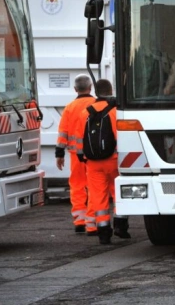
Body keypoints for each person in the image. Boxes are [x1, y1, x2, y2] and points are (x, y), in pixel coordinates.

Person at [74, 79, 129, 245]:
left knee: (98, 196)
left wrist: (82, 158)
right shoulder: (115, 111)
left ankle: (103, 232)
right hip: (113, 161)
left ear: (95, 92)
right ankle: (120, 225)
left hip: (93, 163)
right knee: (118, 192)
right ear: (111, 90)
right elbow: (120, 138)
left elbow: (79, 140)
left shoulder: (85, 112)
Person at [55, 74, 96, 235]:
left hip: (74, 155)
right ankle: (92, 221)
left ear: (75, 89)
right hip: (94, 155)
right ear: (90, 87)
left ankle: (79, 221)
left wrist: (59, 154)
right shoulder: (96, 105)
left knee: (77, 186)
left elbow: (62, 132)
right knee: (94, 186)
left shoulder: (69, 108)